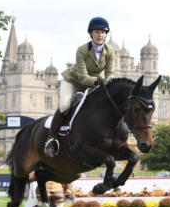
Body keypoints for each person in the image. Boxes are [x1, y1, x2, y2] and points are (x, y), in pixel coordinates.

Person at [43, 16, 116, 157]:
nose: (100, 35)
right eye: (97, 32)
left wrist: (110, 81)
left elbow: (110, 71)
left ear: (106, 34)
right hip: (73, 81)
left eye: (103, 32)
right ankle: (51, 139)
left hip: (96, 82)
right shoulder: (82, 50)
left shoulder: (110, 50)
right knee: (65, 105)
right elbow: (82, 77)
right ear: (91, 34)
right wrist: (98, 81)